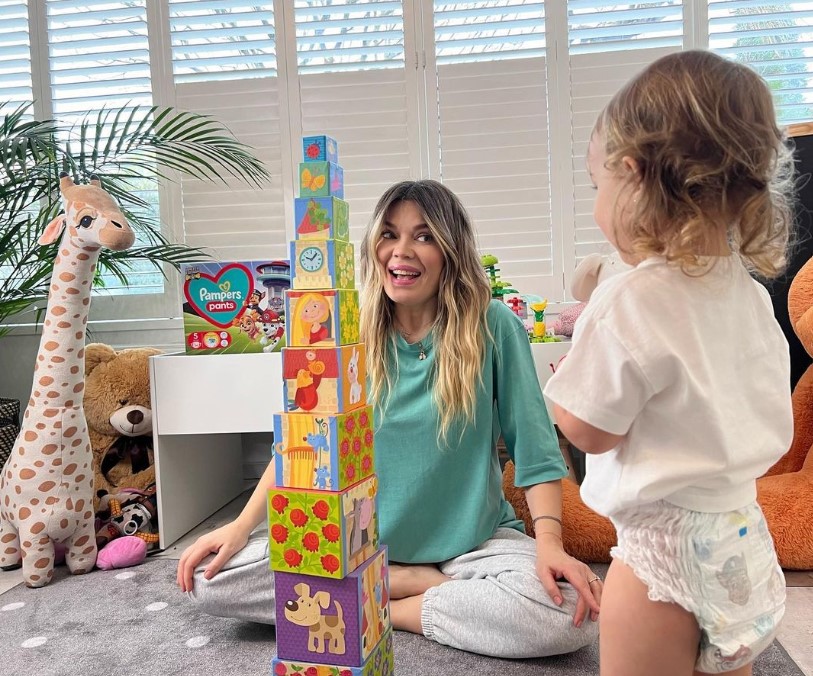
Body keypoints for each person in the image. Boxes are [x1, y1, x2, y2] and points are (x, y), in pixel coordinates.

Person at [176, 179, 601, 658]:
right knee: (212, 580)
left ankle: (385, 606)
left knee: (568, 613)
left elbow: (536, 452)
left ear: (451, 250)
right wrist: (241, 526)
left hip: (472, 546)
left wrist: (550, 544)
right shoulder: (344, 329)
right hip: (353, 544)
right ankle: (404, 583)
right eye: (389, 235)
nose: (401, 251)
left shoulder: (493, 324)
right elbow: (306, 442)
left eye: (424, 236)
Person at [543, 50, 795, 676]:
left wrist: (563, 389)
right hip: (741, 536)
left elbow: (589, 430)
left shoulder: (627, 297)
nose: (597, 205)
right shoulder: (750, 294)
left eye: (597, 186)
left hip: (661, 555)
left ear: (631, 175)